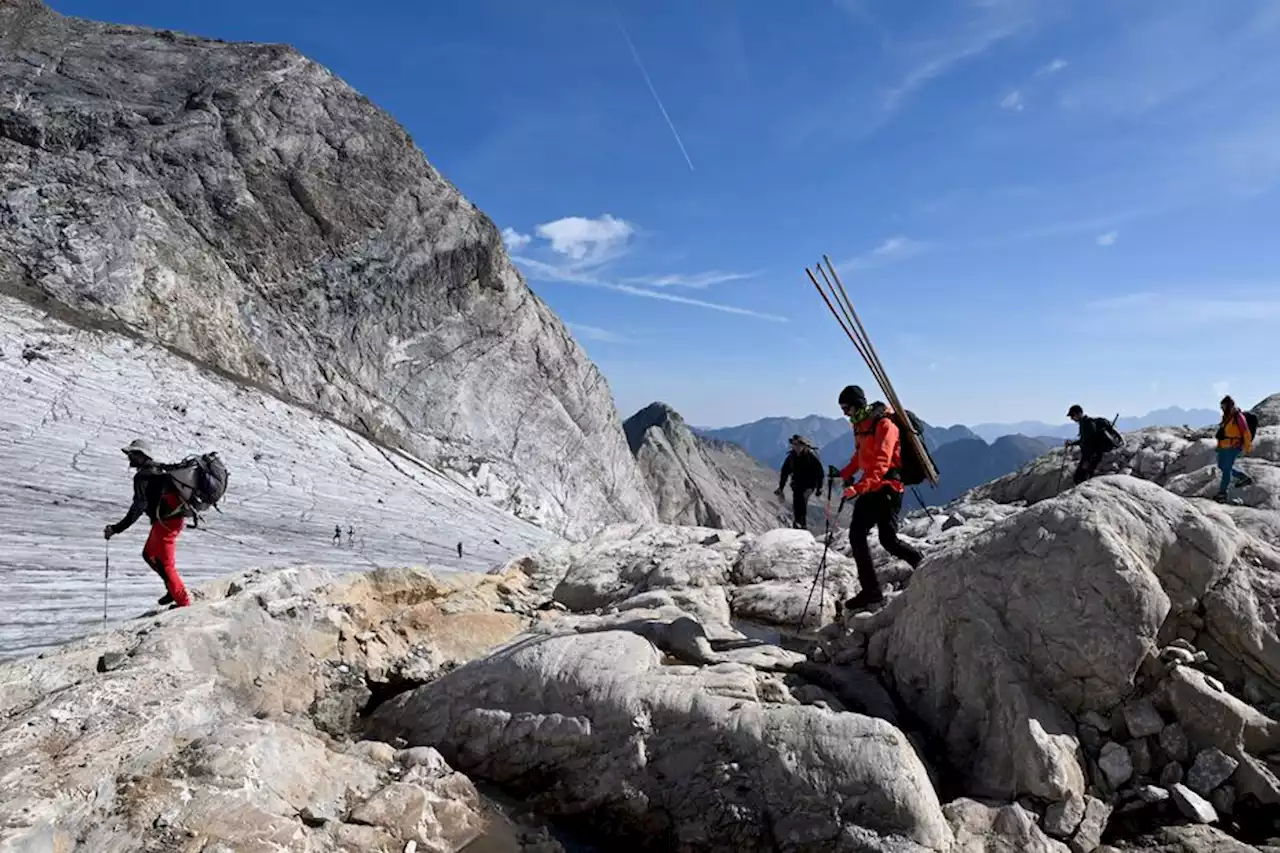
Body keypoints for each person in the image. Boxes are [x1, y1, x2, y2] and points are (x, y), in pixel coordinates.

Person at [834, 385, 922, 611]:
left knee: (888, 540)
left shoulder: (884, 425)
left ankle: (921, 564)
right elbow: (860, 456)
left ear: (857, 405)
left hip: (888, 489)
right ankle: (872, 592)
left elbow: (882, 464)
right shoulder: (860, 426)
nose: (844, 412)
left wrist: (859, 488)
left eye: (846, 407)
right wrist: (844, 473)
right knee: (859, 536)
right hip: (874, 488)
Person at [103, 439, 190, 608]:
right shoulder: (158, 469)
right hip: (167, 520)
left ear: (142, 456)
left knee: (165, 564)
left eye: (132, 454)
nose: (129, 458)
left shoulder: (143, 477)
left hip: (167, 523)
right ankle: (172, 590)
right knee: (149, 554)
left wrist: (117, 528)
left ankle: (183, 602)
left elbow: (138, 506)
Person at [775, 434, 824, 529]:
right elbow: (784, 472)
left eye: (798, 444)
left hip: (809, 485)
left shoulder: (811, 457)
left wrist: (819, 488)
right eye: (794, 444)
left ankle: (801, 524)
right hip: (797, 485)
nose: (796, 447)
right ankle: (798, 525)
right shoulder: (791, 457)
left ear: (804, 445)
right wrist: (781, 487)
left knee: (802, 500)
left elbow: (820, 473)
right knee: (797, 503)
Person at [1214, 395, 1254, 502]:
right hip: (1224, 446)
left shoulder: (1238, 417)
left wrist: (1248, 447)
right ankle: (1243, 477)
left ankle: (1222, 493)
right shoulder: (1226, 417)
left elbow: (1246, 432)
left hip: (1233, 446)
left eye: (1223, 406)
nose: (1222, 409)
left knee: (1226, 469)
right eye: (1221, 407)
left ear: (1229, 406)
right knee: (1222, 466)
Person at [1064, 404, 1109, 485]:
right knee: (1082, 476)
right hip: (1090, 455)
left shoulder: (1087, 423)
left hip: (1091, 455)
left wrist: (1088, 458)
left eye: (1072, 415)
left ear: (1079, 413)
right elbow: (1085, 440)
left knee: (1080, 477)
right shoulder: (1084, 423)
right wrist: (1072, 443)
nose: (1072, 418)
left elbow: (1091, 441)